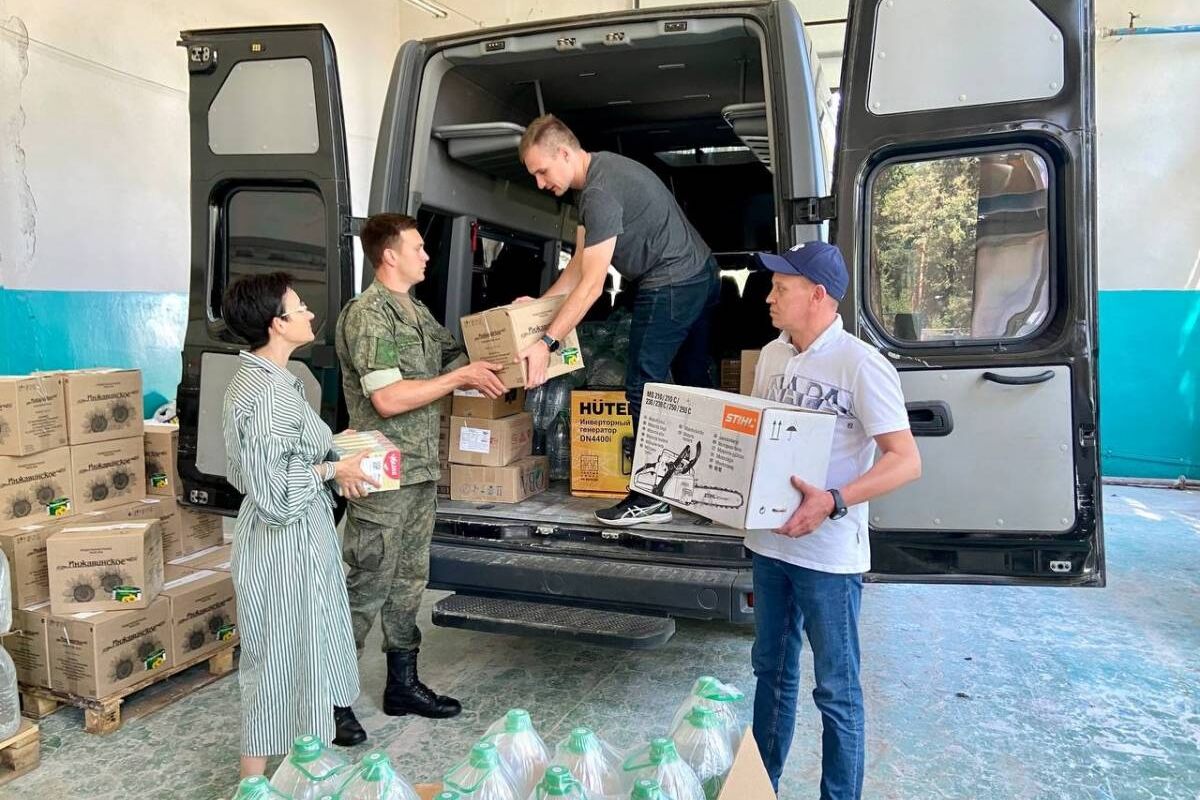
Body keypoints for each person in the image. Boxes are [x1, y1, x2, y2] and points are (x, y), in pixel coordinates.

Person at [746, 242, 922, 798]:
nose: (769, 297)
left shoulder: (862, 364)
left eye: (782, 288)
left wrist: (835, 500)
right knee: (771, 673)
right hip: (771, 547)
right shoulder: (773, 356)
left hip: (828, 555)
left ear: (817, 295)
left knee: (837, 690)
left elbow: (906, 460)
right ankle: (759, 787)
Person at [335, 213, 506, 719]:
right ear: (389, 254)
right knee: (367, 586)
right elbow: (387, 398)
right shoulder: (369, 315)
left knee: (409, 580)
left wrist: (510, 323)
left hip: (419, 470)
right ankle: (330, 698)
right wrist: (459, 380)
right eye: (417, 248)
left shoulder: (414, 311)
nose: (426, 256)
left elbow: (458, 357)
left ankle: (402, 686)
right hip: (381, 471)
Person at [517, 114, 720, 527]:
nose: (540, 183)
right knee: (692, 385)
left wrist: (546, 344)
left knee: (642, 385)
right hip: (697, 273)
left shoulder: (600, 193)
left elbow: (592, 286)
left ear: (564, 152)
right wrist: (536, 309)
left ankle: (650, 497)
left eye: (542, 171)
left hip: (672, 282)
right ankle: (709, 489)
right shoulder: (595, 181)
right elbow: (578, 266)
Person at [221, 272, 378, 778]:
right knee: (276, 663)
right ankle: (256, 783)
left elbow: (284, 454)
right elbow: (276, 490)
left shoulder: (273, 380)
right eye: (300, 307)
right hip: (282, 544)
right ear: (277, 324)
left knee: (301, 658)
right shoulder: (268, 395)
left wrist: (334, 444)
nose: (311, 313)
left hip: (299, 542)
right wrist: (334, 469)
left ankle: (298, 770)